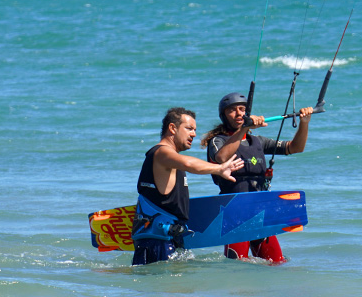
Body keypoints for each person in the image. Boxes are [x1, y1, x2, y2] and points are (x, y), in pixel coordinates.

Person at [201, 93, 313, 263]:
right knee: (237, 266)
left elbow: (295, 147)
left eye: (242, 109)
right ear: (223, 115)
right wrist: (244, 129)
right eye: (232, 110)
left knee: (277, 263)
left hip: (260, 213)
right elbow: (221, 158)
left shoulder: (258, 141)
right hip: (234, 214)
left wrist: (304, 124)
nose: (238, 113)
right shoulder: (218, 141)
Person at [131, 107, 244, 266]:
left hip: (165, 239)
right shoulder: (161, 153)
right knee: (169, 289)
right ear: (172, 128)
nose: (194, 134)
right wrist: (219, 168)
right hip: (158, 242)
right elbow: (189, 163)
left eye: (195, 130)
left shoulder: (169, 159)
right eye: (189, 129)